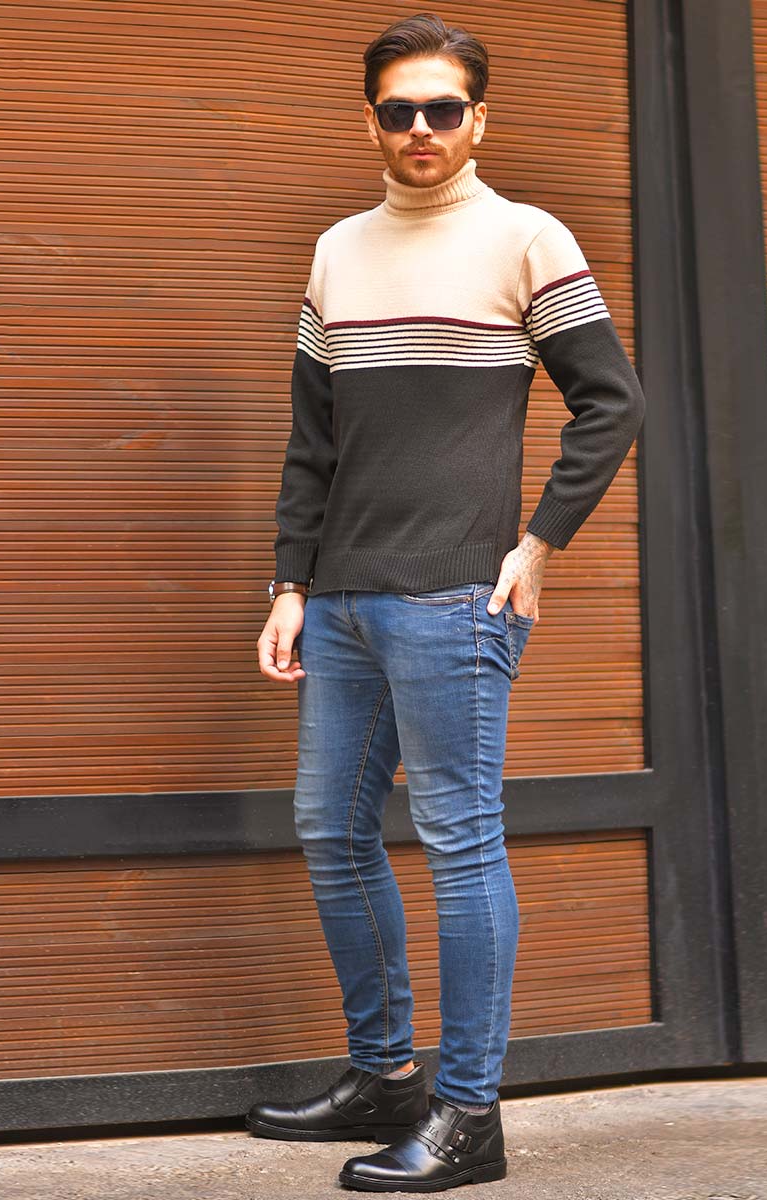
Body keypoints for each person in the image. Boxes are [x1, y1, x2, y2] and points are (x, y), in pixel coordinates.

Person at [251, 11, 645, 1192]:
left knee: (460, 844)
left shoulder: (527, 238)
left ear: (480, 119)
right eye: (398, 109)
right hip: (343, 599)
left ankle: (470, 1114)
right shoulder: (337, 251)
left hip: (457, 597)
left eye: (442, 108)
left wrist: (540, 543)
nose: (419, 128)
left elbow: (612, 401)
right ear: (370, 120)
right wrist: (289, 583)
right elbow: (312, 443)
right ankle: (387, 1078)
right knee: (332, 832)